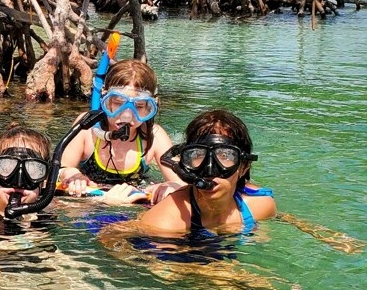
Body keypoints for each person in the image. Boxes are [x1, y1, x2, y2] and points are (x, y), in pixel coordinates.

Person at [112, 109, 277, 236]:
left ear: (244, 167)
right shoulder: (169, 219)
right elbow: (116, 241)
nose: (210, 170)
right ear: (186, 162)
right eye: (198, 155)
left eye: (225, 156)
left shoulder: (260, 206)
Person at [58, 59, 182, 203]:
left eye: (140, 106)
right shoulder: (87, 127)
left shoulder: (154, 136)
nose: (127, 116)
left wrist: (169, 186)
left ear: (151, 106)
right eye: (118, 103)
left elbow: (184, 184)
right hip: (91, 206)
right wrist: (71, 174)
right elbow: (60, 169)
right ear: (104, 98)